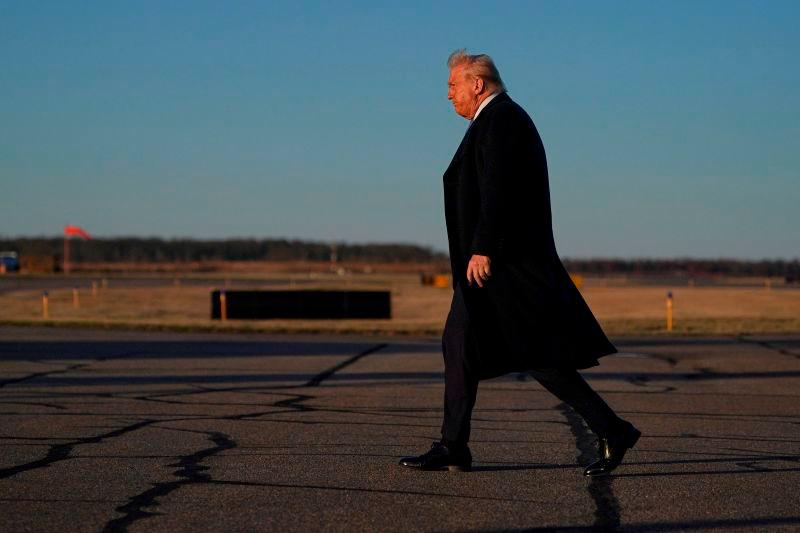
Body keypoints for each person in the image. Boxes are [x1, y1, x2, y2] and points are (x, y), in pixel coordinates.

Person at [399, 50, 640, 476]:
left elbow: (500, 189)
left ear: (478, 84)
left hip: (503, 264)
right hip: (492, 263)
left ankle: (612, 428)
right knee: (460, 346)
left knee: (537, 353)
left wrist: (484, 247)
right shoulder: (493, 122)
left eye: (453, 86)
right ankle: (454, 445)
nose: (448, 95)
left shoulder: (503, 120)